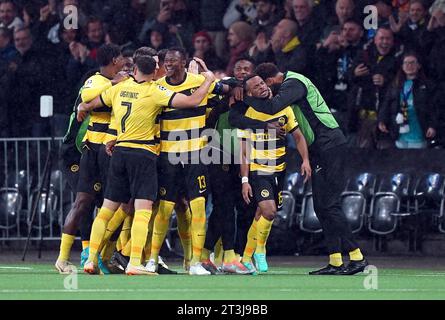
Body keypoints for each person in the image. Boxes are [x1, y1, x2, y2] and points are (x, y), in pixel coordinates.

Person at [80, 55, 217, 275]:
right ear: (155, 71)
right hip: (143, 153)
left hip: (119, 152)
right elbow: (191, 101)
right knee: (143, 210)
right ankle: (135, 262)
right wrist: (209, 80)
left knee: (106, 210)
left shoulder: (119, 88)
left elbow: (91, 103)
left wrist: (81, 106)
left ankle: (90, 260)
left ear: (134, 69)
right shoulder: (154, 90)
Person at [230, 62, 368, 275]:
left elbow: (271, 107)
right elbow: (238, 118)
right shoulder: (290, 85)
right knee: (321, 206)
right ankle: (336, 261)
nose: (265, 90)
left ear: (269, 81)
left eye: (263, 85)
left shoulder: (293, 84)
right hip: (320, 148)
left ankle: (357, 256)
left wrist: (244, 96)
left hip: (330, 144)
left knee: (329, 204)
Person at [144, 47, 230, 276]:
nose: (168, 64)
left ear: (184, 63)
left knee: (199, 206)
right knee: (165, 208)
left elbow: (230, 89)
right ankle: (152, 259)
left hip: (196, 153)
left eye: (173, 60)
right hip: (169, 154)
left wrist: (218, 80)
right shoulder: (158, 86)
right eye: (166, 61)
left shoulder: (199, 81)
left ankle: (195, 263)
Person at [54, 44, 127, 274]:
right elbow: (90, 97)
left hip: (109, 152)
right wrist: (114, 85)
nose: (125, 63)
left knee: (113, 206)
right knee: (82, 203)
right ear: (115, 60)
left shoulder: (120, 82)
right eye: (122, 58)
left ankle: (101, 257)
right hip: (87, 151)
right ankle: (64, 258)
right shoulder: (95, 81)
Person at [235, 74, 311, 273]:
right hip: (260, 170)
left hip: (280, 169)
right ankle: (260, 250)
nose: (262, 87)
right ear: (250, 93)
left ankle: (245, 257)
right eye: (256, 87)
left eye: (262, 83)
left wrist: (305, 160)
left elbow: (298, 136)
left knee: (261, 215)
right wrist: (245, 180)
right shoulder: (249, 115)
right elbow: (243, 151)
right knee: (269, 211)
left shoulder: (283, 108)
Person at [378, 52, 437, 149]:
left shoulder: (427, 85)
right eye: (406, 63)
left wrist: (432, 125)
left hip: (419, 132)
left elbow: (434, 107)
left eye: (412, 62)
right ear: (402, 66)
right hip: (399, 134)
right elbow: (387, 103)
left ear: (419, 65)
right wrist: (382, 120)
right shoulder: (395, 85)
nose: (409, 65)